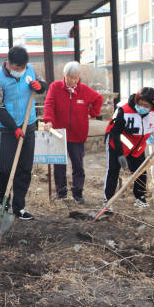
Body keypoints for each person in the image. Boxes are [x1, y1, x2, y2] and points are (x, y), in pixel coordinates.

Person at [0, 46, 47, 220]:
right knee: (5, 169)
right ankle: (4, 202)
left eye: (22, 68)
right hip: (7, 129)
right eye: (16, 69)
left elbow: (43, 85)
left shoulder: (31, 70)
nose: (19, 72)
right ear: (8, 63)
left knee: (24, 168)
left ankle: (19, 207)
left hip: (28, 125)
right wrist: (13, 128)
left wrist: (40, 86)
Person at [43, 61, 103, 204]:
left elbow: (98, 99)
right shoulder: (55, 87)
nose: (73, 81)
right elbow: (49, 104)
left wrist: (92, 113)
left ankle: (77, 192)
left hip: (78, 133)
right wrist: (49, 120)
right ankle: (61, 192)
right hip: (59, 133)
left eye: (76, 78)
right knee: (59, 164)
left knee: (78, 164)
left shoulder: (84, 89)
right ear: (65, 76)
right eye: (70, 77)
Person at [103, 88, 154, 211]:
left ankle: (140, 198)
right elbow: (115, 133)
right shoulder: (124, 111)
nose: (141, 107)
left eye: (146, 105)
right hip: (117, 145)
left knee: (140, 172)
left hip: (137, 148)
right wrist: (120, 155)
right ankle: (108, 201)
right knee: (113, 171)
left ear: (152, 106)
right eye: (139, 103)